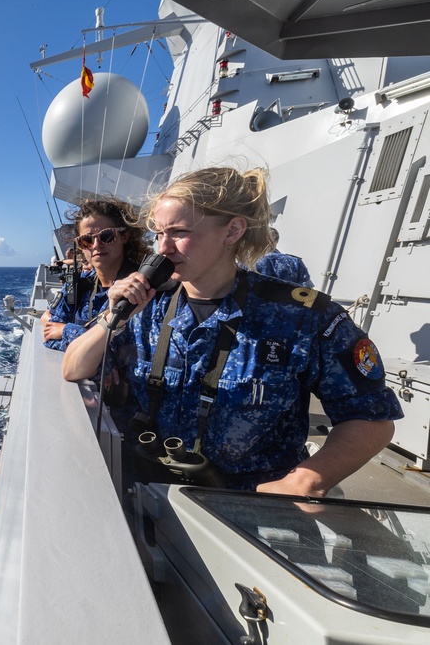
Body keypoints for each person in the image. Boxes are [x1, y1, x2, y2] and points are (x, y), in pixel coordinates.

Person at [62, 167, 402, 495]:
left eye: (179, 232)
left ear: (232, 231)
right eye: (159, 234)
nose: (163, 248)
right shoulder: (149, 305)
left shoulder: (302, 317)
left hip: (251, 505)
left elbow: (371, 418)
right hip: (153, 495)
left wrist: (305, 483)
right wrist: (113, 318)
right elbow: (74, 367)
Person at [42, 196, 152, 352]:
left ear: (124, 236)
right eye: (86, 240)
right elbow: (50, 337)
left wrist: (67, 331)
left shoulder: (142, 287)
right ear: (80, 245)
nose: (96, 245)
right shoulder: (79, 285)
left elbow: (122, 353)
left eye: (107, 236)